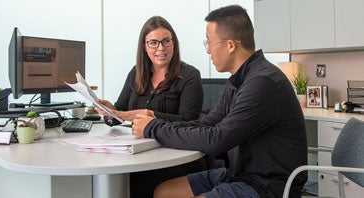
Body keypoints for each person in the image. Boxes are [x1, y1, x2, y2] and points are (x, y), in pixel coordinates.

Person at [132, 5, 308, 198]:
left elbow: (217, 140)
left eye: (209, 43)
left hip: (267, 186)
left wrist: (153, 128)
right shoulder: (238, 80)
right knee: (163, 192)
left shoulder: (262, 82)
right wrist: (158, 124)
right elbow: (205, 123)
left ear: (230, 45)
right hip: (238, 175)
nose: (208, 51)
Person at [95, 16, 205, 197]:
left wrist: (151, 115)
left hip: (175, 156)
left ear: (173, 43)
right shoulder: (136, 72)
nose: (161, 48)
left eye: (166, 41)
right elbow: (121, 112)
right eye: (153, 42)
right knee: (112, 177)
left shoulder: (189, 75)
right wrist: (110, 111)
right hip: (139, 153)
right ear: (144, 47)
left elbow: (191, 120)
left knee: (137, 186)